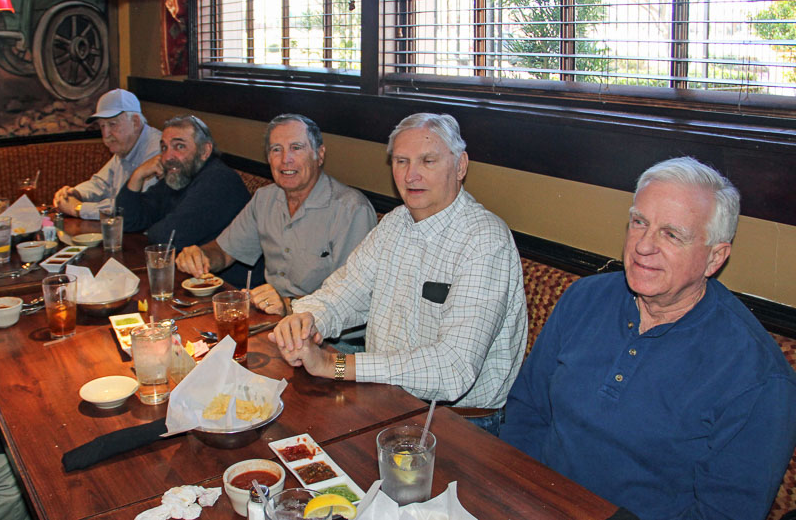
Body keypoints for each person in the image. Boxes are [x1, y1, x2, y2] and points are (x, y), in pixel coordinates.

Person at [500, 157, 796, 520]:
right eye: (639, 222)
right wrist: (522, 492)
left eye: (671, 234)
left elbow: (724, 513)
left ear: (714, 258)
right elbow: (527, 410)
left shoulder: (758, 375)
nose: (643, 246)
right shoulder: (584, 298)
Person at [269, 113, 527, 435]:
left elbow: (452, 370)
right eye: (401, 161)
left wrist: (333, 366)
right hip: (387, 399)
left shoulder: (485, 241)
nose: (411, 175)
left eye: (428, 161)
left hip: (460, 422)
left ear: (460, 166)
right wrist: (306, 320)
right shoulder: (395, 223)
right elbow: (345, 292)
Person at [176, 113, 376, 316]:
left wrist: (288, 305)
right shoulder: (265, 199)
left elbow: (353, 298)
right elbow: (224, 252)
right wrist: (201, 256)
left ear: (320, 154)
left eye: (296, 148)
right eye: (276, 150)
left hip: (331, 336)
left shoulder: (351, 210)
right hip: (272, 319)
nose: (285, 160)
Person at [116, 115, 250, 252]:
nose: (167, 157)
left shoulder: (219, 181)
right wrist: (138, 175)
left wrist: (151, 228)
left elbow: (168, 238)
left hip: (218, 272)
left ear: (205, 151)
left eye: (179, 146)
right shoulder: (179, 175)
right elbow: (126, 222)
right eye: (164, 148)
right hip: (186, 269)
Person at [53, 89, 161, 219]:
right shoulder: (124, 146)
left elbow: (132, 207)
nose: (106, 135)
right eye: (102, 126)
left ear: (135, 122)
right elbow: (101, 184)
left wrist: (78, 208)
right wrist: (73, 193)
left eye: (112, 124)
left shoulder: (158, 150)